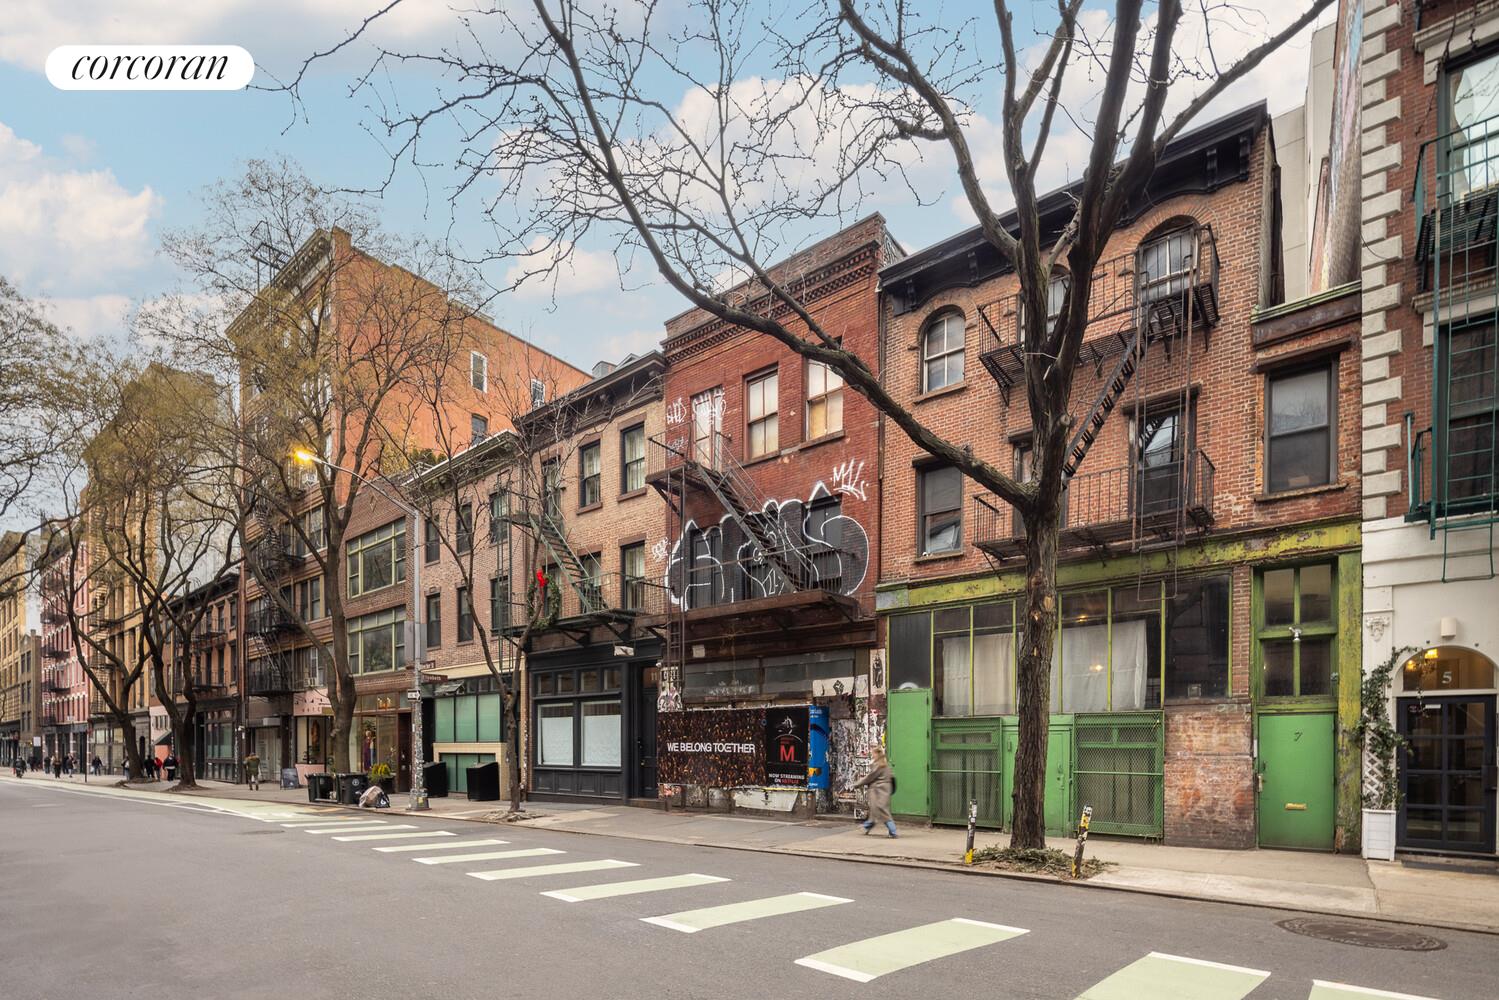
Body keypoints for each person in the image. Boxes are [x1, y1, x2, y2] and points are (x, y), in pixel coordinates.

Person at [853, 746, 898, 839]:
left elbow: (869, 777)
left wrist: (857, 784)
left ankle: (892, 831)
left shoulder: (878, 765)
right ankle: (868, 825)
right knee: (877, 810)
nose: (872, 755)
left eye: (873, 753)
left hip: (878, 791)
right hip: (884, 790)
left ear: (877, 754)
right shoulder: (885, 764)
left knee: (880, 809)